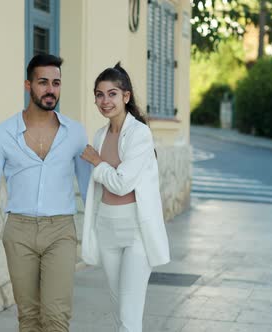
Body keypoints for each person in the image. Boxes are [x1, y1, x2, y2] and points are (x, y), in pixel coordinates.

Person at [0, 54, 91, 332]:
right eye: (43, 82)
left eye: (56, 83)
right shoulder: (1, 134)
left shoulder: (75, 132)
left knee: (56, 317)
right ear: (28, 86)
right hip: (19, 231)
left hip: (60, 230)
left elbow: (88, 187)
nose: (50, 89)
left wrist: (101, 232)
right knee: (28, 317)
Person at [80, 63, 170, 332]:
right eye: (99, 94)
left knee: (130, 316)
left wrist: (97, 163)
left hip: (135, 231)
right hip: (107, 226)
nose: (105, 101)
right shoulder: (99, 135)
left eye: (112, 94)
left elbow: (121, 184)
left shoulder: (140, 134)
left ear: (126, 97)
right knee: (119, 309)